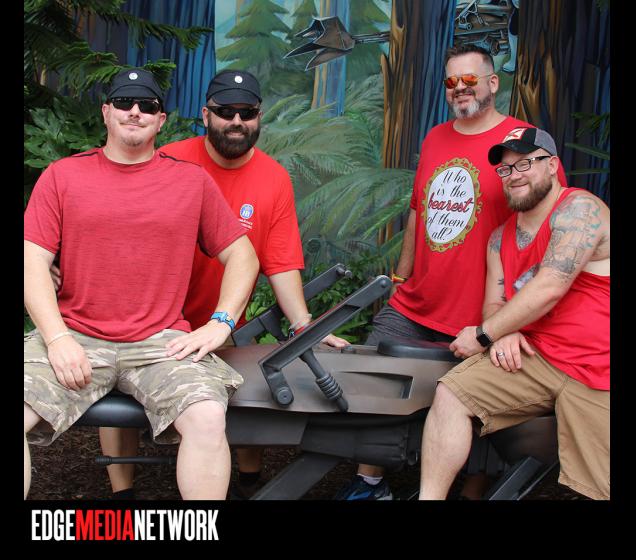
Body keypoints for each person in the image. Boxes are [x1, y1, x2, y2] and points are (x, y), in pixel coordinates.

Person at [93, 69, 348, 499]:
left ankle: (249, 482)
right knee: (121, 404)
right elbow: (109, 222)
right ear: (205, 114)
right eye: (226, 111)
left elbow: (281, 262)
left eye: (246, 113)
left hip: (222, 321)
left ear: (259, 116)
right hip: (151, 320)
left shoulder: (273, 178)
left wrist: (304, 326)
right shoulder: (169, 160)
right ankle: (122, 492)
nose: (236, 121)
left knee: (239, 391)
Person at [335, 44, 568, 500]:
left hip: (483, 313)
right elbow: (419, 209)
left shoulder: (522, 142)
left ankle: (473, 489)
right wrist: (401, 276)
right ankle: (370, 482)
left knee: (480, 409)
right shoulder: (436, 137)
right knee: (373, 388)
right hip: (417, 302)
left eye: (470, 79)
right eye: (451, 81)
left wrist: (515, 320)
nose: (460, 88)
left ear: (493, 83)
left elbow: (548, 224)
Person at [24, 68, 259, 500]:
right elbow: (32, 260)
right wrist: (56, 339)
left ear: (161, 120)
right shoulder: (62, 176)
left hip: (161, 344)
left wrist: (221, 323)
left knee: (208, 416)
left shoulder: (190, 181)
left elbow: (243, 255)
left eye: (147, 105)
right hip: (75, 335)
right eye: (124, 102)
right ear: (106, 112)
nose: (135, 112)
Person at [419, 127, 610, 500]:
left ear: (552, 165)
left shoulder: (580, 209)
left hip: (598, 366)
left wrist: (484, 335)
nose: (514, 175)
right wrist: (503, 331)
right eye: (506, 169)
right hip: (535, 359)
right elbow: (494, 302)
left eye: (525, 163)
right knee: (451, 394)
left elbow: (550, 286)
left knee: (597, 489)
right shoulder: (499, 238)